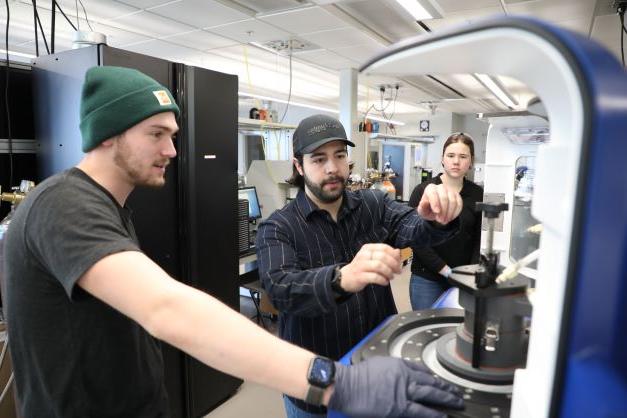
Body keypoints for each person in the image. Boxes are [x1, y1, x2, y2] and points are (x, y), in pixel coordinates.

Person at [2, 67, 463, 418]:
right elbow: (168, 309)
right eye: (156, 134)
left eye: (173, 135)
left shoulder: (111, 209)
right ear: (107, 134)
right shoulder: (64, 204)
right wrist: (334, 381)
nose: (173, 151)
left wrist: (439, 216)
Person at [255, 114, 464, 418]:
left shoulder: (372, 204)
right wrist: (341, 278)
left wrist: (436, 216)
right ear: (299, 166)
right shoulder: (278, 228)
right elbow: (281, 290)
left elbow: (413, 227)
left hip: (378, 374)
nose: (332, 168)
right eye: (318, 159)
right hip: (315, 388)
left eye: (340, 155)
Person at [408, 133, 484, 310]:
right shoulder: (423, 190)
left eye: (463, 156)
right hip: (426, 278)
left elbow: (479, 237)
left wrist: (469, 271)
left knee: (458, 329)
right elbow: (415, 238)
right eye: (451, 156)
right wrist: (445, 270)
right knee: (427, 327)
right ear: (442, 159)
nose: (456, 161)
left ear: (471, 161)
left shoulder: (478, 194)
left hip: (464, 277)